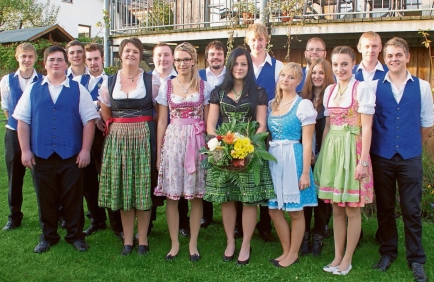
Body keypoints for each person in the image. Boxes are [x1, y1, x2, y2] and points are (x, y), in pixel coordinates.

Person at [13, 45, 99, 253]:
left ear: (66, 63)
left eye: (60, 59)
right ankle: (48, 236)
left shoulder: (78, 90)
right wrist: (25, 150)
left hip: (71, 154)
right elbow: (23, 121)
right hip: (41, 155)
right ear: (44, 63)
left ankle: (75, 236)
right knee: (46, 198)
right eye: (52, 60)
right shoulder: (34, 89)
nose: (56, 63)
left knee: (73, 198)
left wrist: (85, 150)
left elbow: (89, 121)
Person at [204, 47, 276, 265]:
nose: (239, 68)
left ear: (249, 67)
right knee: (226, 199)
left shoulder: (259, 92)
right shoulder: (218, 92)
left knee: (248, 200)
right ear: (230, 66)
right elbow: (211, 124)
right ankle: (230, 242)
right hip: (224, 150)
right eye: (236, 64)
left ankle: (245, 244)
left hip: (249, 151)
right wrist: (220, 147)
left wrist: (248, 147)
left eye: (244, 64)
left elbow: (262, 124)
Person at [370, 37, 432, 282]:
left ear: (407, 57)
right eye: (389, 56)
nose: (393, 59)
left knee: (412, 209)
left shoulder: (423, 86)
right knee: (385, 208)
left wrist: (411, 143)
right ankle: (387, 252)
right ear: (385, 60)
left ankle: (416, 259)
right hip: (382, 155)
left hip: (410, 156)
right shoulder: (375, 86)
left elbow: (427, 123)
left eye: (398, 55)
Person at [314, 46, 375, 275]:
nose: (340, 69)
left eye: (345, 64)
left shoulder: (362, 89)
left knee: (351, 209)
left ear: (353, 64)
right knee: (337, 209)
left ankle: (347, 259)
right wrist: (323, 156)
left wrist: (363, 161)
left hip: (353, 148)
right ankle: (337, 256)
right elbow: (328, 126)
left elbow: (367, 128)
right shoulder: (329, 90)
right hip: (333, 149)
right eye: (336, 64)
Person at [98, 37, 157, 256]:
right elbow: (106, 112)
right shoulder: (110, 81)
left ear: (140, 55)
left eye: (135, 51)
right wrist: (119, 128)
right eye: (127, 51)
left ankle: (143, 240)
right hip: (119, 137)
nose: (131, 55)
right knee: (124, 189)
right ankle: (127, 240)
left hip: (143, 136)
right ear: (120, 54)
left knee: (142, 188)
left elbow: (158, 112)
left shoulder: (151, 81)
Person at [155, 42, 210, 262]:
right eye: (178, 60)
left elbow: (207, 120)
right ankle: (175, 243)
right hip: (174, 141)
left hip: (196, 141)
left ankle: (193, 243)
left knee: (196, 195)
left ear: (194, 60)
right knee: (172, 195)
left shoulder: (204, 86)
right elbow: (161, 121)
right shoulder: (166, 86)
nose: (181, 63)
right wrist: (160, 151)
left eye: (186, 59)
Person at [267, 63, 318, 268]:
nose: (286, 80)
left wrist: (305, 172)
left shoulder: (303, 104)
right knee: (274, 209)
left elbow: (307, 142)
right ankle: (287, 250)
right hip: (275, 158)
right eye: (283, 76)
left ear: (298, 82)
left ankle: (293, 253)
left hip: (294, 157)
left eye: (291, 77)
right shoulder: (273, 103)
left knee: (295, 211)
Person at [73, 43, 124, 238]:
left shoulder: (112, 81)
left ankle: (117, 224)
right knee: (87, 181)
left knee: (109, 179)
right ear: (85, 61)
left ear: (103, 59)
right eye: (89, 59)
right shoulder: (78, 82)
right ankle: (97, 219)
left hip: (105, 136)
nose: (93, 63)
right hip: (83, 136)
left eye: (96, 58)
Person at [245, 23, 283, 242]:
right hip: (244, 126)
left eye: (260, 40)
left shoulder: (277, 67)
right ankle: (245, 220)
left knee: (266, 172)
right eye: (253, 40)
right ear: (248, 42)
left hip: (270, 128)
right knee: (245, 170)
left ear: (266, 41)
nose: (257, 44)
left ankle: (266, 222)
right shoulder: (242, 64)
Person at [1, 43, 42, 231]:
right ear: (17, 57)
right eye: (23, 56)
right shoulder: (7, 80)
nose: (27, 60)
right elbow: (7, 109)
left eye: (30, 56)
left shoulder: (42, 80)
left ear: (35, 58)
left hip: (37, 135)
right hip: (13, 134)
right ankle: (14, 216)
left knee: (41, 178)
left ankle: (50, 215)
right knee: (14, 178)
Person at [150, 42, 190, 238]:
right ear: (154, 58)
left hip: (183, 136)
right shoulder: (146, 79)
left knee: (180, 181)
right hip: (155, 134)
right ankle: (149, 221)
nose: (163, 59)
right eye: (160, 55)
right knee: (154, 179)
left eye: (167, 55)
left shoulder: (181, 80)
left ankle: (183, 222)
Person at [300, 58, 335, 256]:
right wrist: (308, 154)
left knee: (322, 198)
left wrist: (320, 154)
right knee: (305, 195)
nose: (317, 76)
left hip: (326, 154)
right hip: (305, 155)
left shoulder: (332, 98)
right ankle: (303, 235)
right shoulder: (302, 98)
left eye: (321, 73)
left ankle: (319, 236)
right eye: (314, 72)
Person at [198, 40, 227, 228]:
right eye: (212, 54)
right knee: (205, 171)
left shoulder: (231, 75)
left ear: (224, 56)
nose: (215, 57)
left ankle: (232, 213)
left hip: (226, 128)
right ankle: (206, 215)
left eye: (219, 53)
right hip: (202, 129)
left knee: (227, 169)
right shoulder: (199, 75)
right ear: (207, 57)